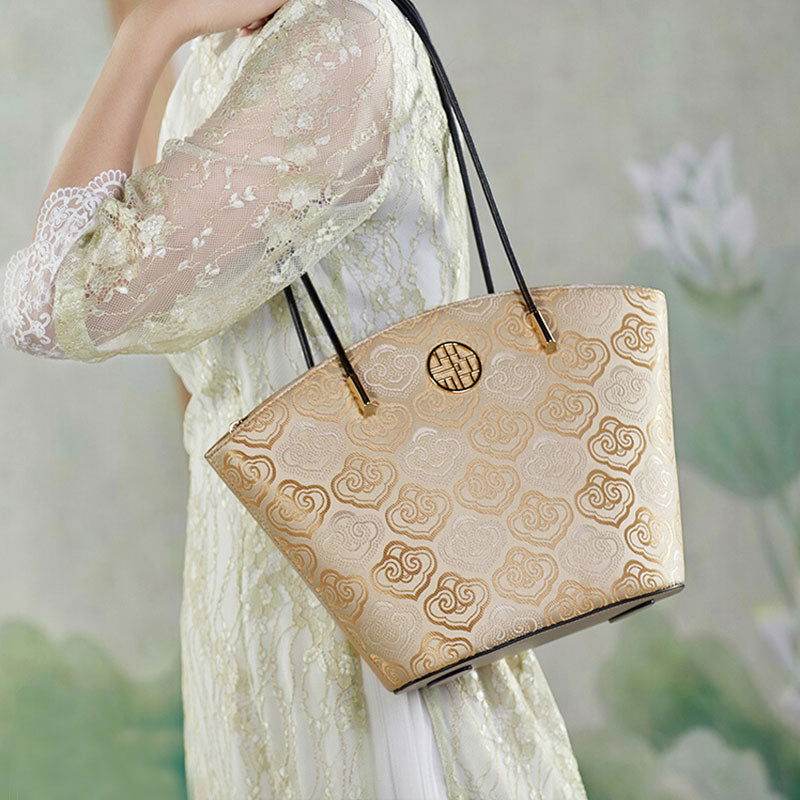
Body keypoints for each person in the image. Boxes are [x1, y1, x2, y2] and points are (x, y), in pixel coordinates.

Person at [0, 0, 588, 797]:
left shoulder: (334, 43)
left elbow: (54, 297)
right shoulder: (231, 52)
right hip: (256, 579)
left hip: (361, 592)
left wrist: (145, 36)